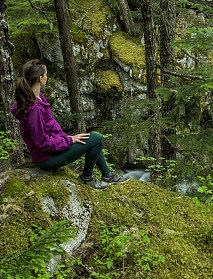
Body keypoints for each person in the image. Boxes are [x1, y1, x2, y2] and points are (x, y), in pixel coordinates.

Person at [11, 59, 127, 187]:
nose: (47, 77)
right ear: (40, 78)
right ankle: (87, 178)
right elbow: (42, 143)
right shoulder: (35, 109)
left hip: (51, 151)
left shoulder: (38, 98)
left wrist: (67, 139)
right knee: (97, 138)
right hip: (47, 159)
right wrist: (69, 140)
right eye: (46, 75)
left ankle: (107, 175)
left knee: (91, 138)